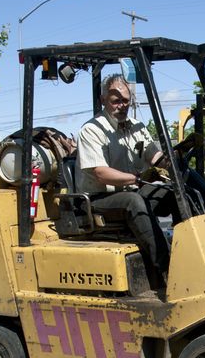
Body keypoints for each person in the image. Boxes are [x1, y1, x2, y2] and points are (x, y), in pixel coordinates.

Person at [76, 75, 182, 277]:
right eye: (116, 101)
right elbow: (101, 173)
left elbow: (155, 156)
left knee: (175, 194)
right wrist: (137, 178)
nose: (122, 106)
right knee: (134, 201)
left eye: (125, 100)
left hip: (131, 189)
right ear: (103, 100)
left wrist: (173, 160)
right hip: (98, 199)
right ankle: (168, 270)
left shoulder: (136, 127)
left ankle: (187, 254)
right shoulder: (92, 130)